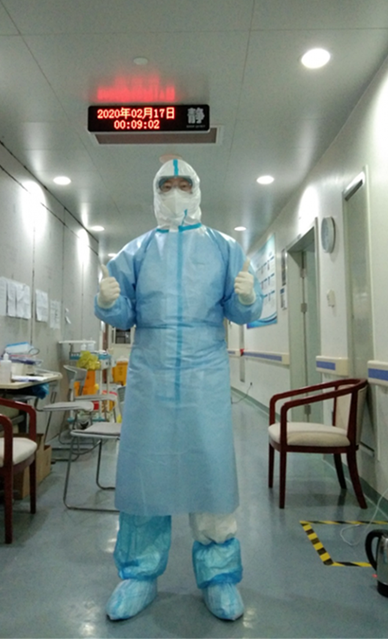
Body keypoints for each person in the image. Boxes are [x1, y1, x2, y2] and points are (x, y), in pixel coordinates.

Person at [94, 158, 263, 622]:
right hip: (150, 376)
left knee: (210, 474)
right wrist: (107, 304)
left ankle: (219, 577)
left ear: (197, 189)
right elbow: (124, 313)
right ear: (155, 192)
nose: (174, 192)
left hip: (204, 377)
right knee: (145, 476)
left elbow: (240, 310)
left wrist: (248, 298)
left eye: (182, 183)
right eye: (165, 185)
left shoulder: (224, 248)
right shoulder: (137, 252)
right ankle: (139, 575)